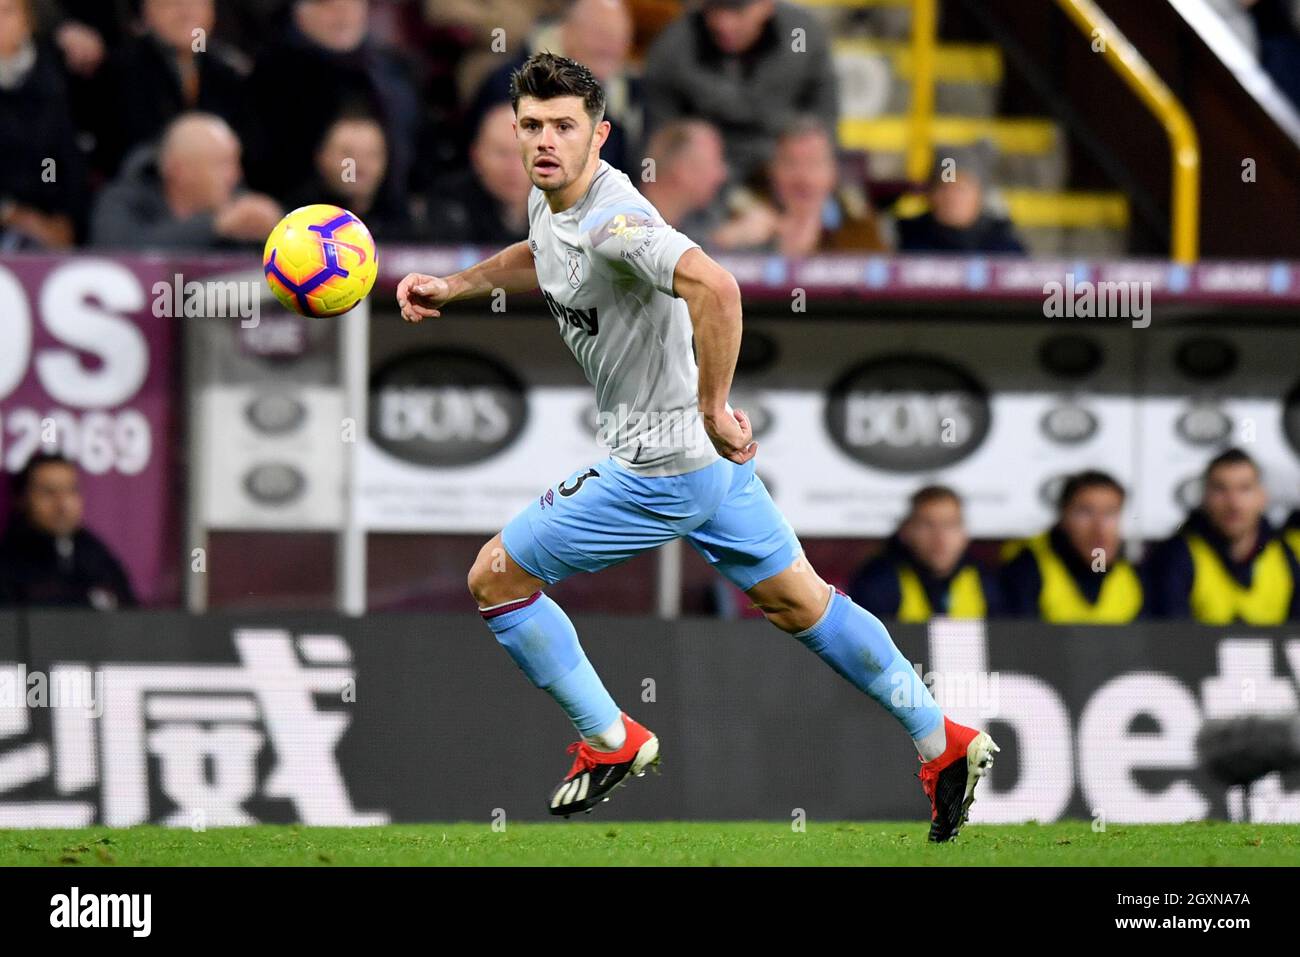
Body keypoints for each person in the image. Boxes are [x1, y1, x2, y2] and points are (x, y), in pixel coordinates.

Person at [396, 53, 999, 842]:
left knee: (495, 578)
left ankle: (613, 739)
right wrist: (457, 284)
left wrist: (713, 404)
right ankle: (940, 736)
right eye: (532, 126)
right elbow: (539, 257)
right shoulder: (554, 206)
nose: (545, 140)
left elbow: (717, 286)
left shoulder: (618, 222)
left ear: (600, 136)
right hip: (708, 469)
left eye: (563, 127)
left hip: (658, 467)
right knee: (800, 601)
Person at [643, 0, 838, 186]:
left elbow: (825, 114)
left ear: (765, 5)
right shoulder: (674, 45)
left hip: (783, 159)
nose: (724, 23)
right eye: (715, 8)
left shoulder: (802, 34)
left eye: (738, 10)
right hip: (708, 171)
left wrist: (806, 160)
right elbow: (657, 136)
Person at [90, 0, 249, 178]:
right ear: (146, 12)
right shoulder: (120, 71)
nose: (186, 13)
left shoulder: (228, 71)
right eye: (171, 4)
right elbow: (122, 153)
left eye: (196, 3)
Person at [1144, 448, 1300, 624]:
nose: (1233, 503)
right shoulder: (1175, 556)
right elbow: (1170, 638)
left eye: (1245, 489)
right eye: (1220, 489)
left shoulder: (1289, 555)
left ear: (1262, 497)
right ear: (1204, 497)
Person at [90, 112, 282, 249]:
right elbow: (117, 253)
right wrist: (215, 226)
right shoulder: (123, 200)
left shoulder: (239, 207)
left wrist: (278, 231)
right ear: (178, 170)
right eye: (222, 164)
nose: (235, 175)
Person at [727, 116, 888, 255]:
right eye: (790, 163)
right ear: (771, 170)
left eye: (814, 163)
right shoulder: (744, 212)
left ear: (833, 171)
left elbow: (883, 276)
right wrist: (739, 240)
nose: (803, 177)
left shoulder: (856, 219)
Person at [1001, 471, 1143, 623]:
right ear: (1063, 515)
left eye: (1110, 513)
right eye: (1086, 512)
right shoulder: (1027, 567)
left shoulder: (1130, 576)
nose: (1099, 528)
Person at [0, 0, 86, 249]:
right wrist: (13, 215)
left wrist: (65, 217)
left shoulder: (55, 74)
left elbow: (66, 157)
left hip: (50, 221)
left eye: (8, 12)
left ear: (28, 20)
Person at [0, 453, 136, 609]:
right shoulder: (8, 562)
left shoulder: (95, 554)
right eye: (49, 492)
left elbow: (131, 616)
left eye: (71, 491)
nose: (62, 505)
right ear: (22, 499)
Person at [849, 486, 999, 622]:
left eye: (950, 525)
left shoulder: (986, 582)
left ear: (964, 535)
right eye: (928, 525)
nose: (940, 538)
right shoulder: (878, 582)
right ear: (906, 531)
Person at [284, 112, 414, 241]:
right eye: (347, 153)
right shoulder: (291, 219)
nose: (359, 166)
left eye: (372, 154)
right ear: (322, 158)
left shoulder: (404, 222)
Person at [423, 101, 533, 245]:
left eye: (525, 154)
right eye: (502, 153)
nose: (514, 168)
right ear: (476, 155)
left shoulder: (565, 206)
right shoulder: (449, 206)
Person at [897, 152, 1025, 254]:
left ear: (980, 195)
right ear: (931, 195)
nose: (952, 198)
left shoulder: (1004, 249)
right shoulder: (905, 240)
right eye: (944, 188)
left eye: (961, 189)